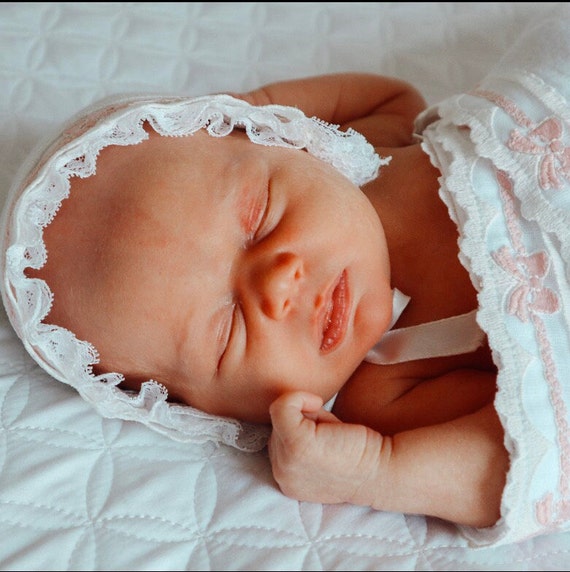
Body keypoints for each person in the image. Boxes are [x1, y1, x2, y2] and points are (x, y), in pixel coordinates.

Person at [2, 5, 570, 546]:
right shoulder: (381, 393)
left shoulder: (374, 153)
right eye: (226, 332)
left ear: (287, 142)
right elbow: (521, 453)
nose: (276, 286)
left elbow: (392, 93)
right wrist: (376, 471)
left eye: (258, 217)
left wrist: (257, 103)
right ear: (207, 413)